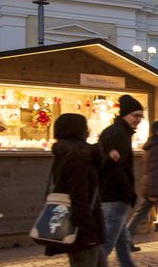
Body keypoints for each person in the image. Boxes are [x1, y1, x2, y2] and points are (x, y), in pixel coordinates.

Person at [45, 113, 106, 267]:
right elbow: (79, 199)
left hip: (75, 222)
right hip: (82, 228)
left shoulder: (63, 155)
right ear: (80, 131)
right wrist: (88, 232)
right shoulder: (79, 159)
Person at [99, 95, 144, 266]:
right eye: (135, 115)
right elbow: (118, 168)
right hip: (115, 195)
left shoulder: (116, 132)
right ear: (125, 114)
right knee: (107, 243)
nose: (138, 120)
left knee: (121, 238)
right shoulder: (119, 134)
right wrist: (128, 192)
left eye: (141, 116)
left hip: (111, 194)